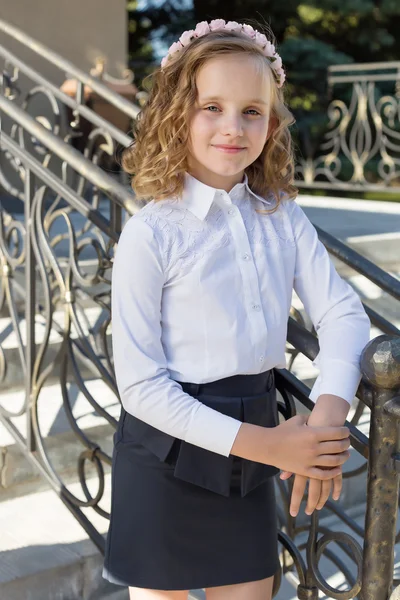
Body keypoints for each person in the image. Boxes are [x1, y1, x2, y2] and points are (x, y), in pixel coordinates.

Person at [102, 18, 371, 600]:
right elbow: (142, 388)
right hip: (166, 449)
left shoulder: (282, 217)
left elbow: (345, 316)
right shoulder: (153, 233)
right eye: (212, 107)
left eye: (252, 111)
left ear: (271, 124)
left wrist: (325, 420)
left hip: (252, 450)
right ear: (178, 116)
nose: (233, 127)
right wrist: (272, 445)